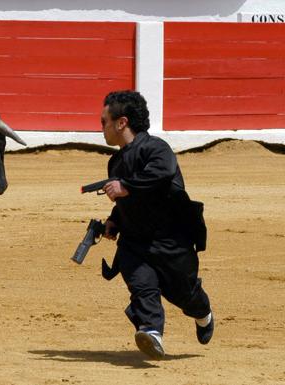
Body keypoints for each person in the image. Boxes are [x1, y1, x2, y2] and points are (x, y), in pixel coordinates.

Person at [98, 90, 214, 359]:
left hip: (171, 240)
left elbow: (161, 174)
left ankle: (203, 314)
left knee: (184, 294)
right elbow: (128, 201)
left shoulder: (156, 149)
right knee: (142, 286)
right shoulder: (115, 162)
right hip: (135, 241)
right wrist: (115, 220)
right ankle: (151, 332)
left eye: (104, 121)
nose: (101, 127)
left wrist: (125, 186)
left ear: (121, 122)